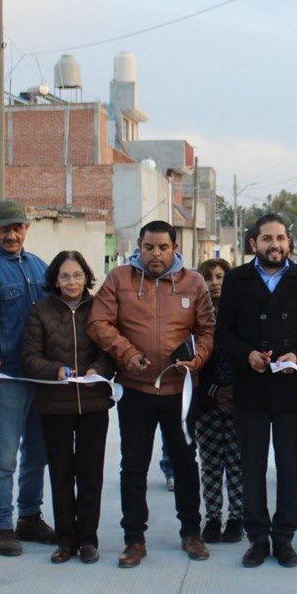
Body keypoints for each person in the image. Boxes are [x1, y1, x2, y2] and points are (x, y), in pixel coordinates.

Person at [89, 220, 215, 568]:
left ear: (175, 247)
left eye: (163, 247)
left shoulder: (193, 282)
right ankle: (134, 539)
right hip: (136, 389)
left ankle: (191, 532)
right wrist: (126, 353)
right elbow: (99, 322)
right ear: (139, 247)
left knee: (186, 464)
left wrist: (197, 359)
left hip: (180, 392)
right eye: (149, 247)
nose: (155, 254)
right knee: (133, 466)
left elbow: (206, 329)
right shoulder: (120, 279)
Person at [216, 213, 297, 569]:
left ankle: (284, 538)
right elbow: (224, 334)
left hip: (292, 390)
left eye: (280, 238)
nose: (275, 245)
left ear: (289, 243)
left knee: (289, 467)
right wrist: (246, 354)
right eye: (267, 239)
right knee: (251, 467)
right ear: (254, 244)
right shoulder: (236, 280)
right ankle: (257, 538)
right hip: (251, 390)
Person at [0, 199, 54, 556]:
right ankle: (2, 525)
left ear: (26, 229)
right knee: (4, 456)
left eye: (18, 228)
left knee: (38, 452)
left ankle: (29, 517)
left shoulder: (40, 268)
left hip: (42, 377)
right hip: (8, 378)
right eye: (5, 228)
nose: (12, 234)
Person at [21, 251, 115, 565]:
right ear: (55, 280)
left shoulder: (99, 308)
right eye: (65, 276)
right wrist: (55, 371)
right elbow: (30, 357)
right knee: (61, 474)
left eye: (77, 275)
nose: (71, 282)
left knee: (90, 474)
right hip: (55, 405)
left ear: (86, 277)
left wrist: (99, 371)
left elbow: (111, 349)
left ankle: (88, 540)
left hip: (93, 404)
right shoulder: (40, 310)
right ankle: (66, 540)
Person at [193, 258, 243, 544]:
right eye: (209, 277)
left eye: (221, 276)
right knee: (211, 463)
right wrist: (214, 392)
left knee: (236, 462)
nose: (215, 282)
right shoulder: (197, 317)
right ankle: (212, 517)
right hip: (207, 401)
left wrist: (234, 391)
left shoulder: (240, 314)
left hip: (238, 401)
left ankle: (237, 517)